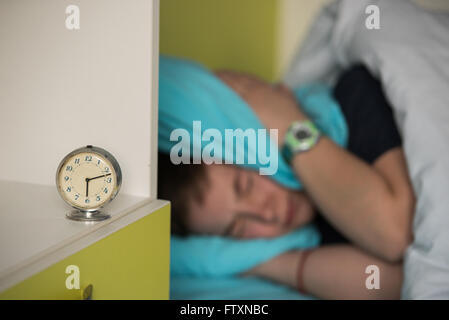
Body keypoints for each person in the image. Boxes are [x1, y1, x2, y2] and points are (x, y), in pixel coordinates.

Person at [158, 65, 415, 299]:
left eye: (245, 185)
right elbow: (393, 283)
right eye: (238, 229)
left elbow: (396, 233)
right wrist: (260, 262)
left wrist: (289, 127)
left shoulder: (352, 100)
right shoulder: (312, 236)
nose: (266, 213)